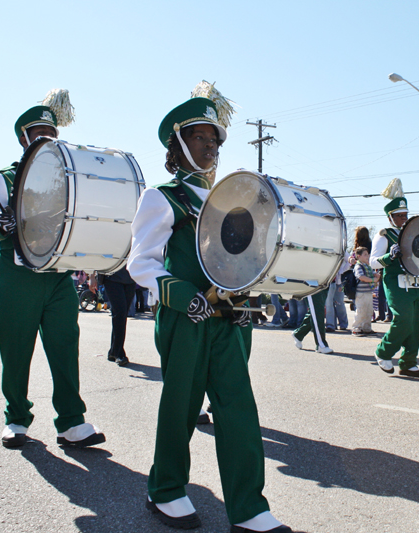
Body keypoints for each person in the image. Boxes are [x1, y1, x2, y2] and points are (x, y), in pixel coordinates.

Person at [127, 85, 289, 532]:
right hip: (186, 318)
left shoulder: (230, 199)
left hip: (229, 320)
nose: (211, 145)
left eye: (215, 139)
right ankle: (165, 490)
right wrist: (179, 294)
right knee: (180, 407)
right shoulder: (162, 197)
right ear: (177, 146)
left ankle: (249, 506)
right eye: (200, 137)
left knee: (238, 406)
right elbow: (140, 262)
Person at [0, 92, 105, 449]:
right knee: (17, 348)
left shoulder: (67, 178)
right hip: (18, 273)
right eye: (39, 133)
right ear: (24, 138)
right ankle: (16, 418)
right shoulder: (3, 179)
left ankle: (71, 421)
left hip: (58, 274)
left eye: (52, 133)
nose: (47, 139)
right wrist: (1, 226)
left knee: (65, 346)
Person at [371, 190, 419, 378]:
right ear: (390, 217)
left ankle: (409, 362)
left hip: (416, 282)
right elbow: (373, 262)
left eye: (405, 215)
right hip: (396, 282)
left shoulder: (413, 234)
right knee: (403, 319)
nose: (403, 218)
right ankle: (383, 351)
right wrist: (390, 255)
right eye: (399, 216)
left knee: (416, 323)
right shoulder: (384, 235)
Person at [91, 267, 135, 367]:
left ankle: (113, 351)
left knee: (121, 316)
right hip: (111, 277)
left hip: (130, 278)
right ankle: (119, 353)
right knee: (120, 313)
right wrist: (92, 276)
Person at [291, 288, 333, 354]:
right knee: (317, 312)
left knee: (315, 312)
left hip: (324, 282)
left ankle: (299, 334)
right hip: (312, 284)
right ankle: (321, 345)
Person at [351, 247, 378, 336]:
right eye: (365, 254)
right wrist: (373, 280)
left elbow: (373, 275)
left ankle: (367, 328)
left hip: (368, 292)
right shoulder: (358, 266)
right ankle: (356, 328)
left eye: (368, 254)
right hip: (361, 293)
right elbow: (361, 277)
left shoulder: (368, 266)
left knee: (369, 311)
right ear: (359, 256)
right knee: (361, 311)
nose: (368, 256)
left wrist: (376, 276)